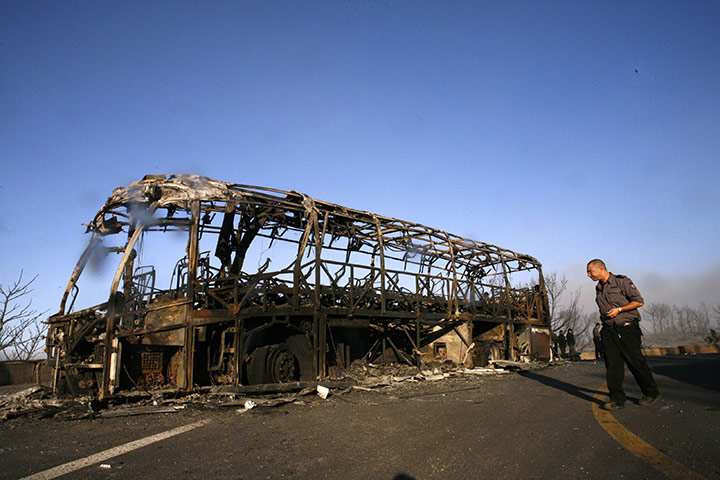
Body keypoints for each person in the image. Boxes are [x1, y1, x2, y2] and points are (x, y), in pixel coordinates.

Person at [587, 259, 660, 410]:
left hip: (627, 329)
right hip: (609, 330)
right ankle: (617, 399)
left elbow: (639, 302)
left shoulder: (621, 282)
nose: (589, 275)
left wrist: (619, 310)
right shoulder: (598, 288)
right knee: (613, 365)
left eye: (591, 272)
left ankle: (650, 393)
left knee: (635, 362)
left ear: (601, 269)